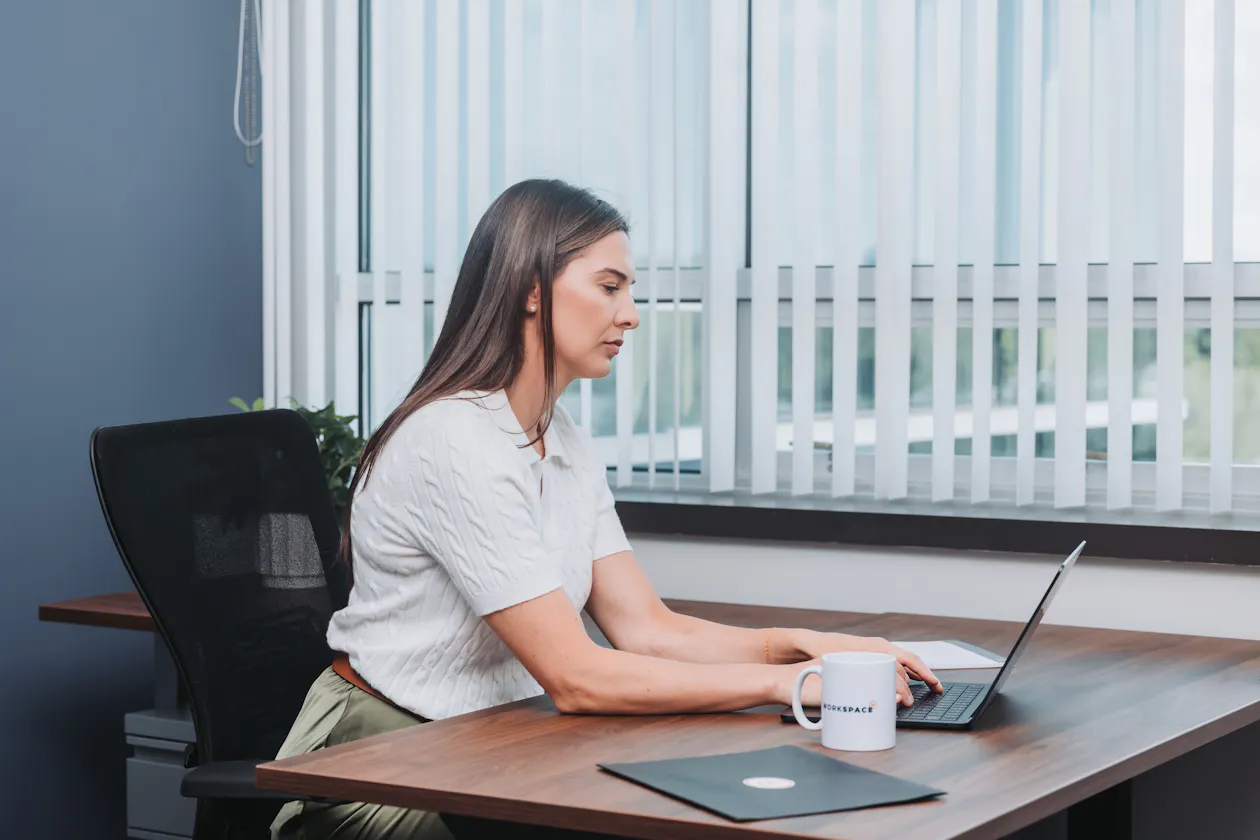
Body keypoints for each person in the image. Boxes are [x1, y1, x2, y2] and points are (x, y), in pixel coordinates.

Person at [270, 179, 942, 840]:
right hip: (372, 771)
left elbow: (647, 629)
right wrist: (787, 686)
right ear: (531, 291)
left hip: (490, 753)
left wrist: (802, 647)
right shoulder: (452, 440)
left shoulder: (562, 440)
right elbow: (578, 677)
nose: (631, 315)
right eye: (610, 286)